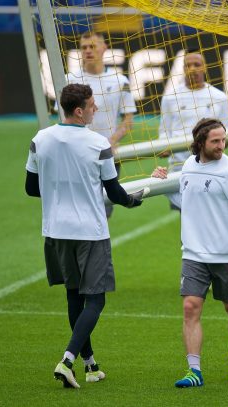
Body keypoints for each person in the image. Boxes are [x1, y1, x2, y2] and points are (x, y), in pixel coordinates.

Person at [25, 84, 144, 389]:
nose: (96, 109)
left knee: (73, 295)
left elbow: (30, 187)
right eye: (92, 105)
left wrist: (59, 190)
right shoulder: (98, 144)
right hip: (90, 232)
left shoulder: (40, 140)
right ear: (79, 111)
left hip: (55, 232)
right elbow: (115, 193)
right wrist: (134, 200)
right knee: (96, 299)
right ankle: (67, 360)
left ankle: (90, 365)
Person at [152, 118, 228, 388]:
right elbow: (186, 201)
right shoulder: (189, 166)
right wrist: (161, 187)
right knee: (190, 308)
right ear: (200, 142)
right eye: (215, 141)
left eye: (223, 140)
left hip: (227, 256)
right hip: (193, 254)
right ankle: (194, 370)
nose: (221, 145)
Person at [66, 31, 137, 218]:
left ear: (104, 48)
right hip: (78, 155)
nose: (88, 51)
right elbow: (63, 119)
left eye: (93, 46)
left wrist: (111, 141)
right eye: (84, 47)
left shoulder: (120, 81)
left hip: (108, 154)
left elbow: (128, 120)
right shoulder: (69, 80)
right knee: (79, 209)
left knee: (103, 210)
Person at [157, 49, 228, 210]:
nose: (192, 68)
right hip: (180, 167)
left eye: (196, 64)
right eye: (187, 65)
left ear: (205, 67)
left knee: (212, 214)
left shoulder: (219, 97)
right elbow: (164, 130)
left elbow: (227, 132)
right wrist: (164, 146)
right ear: (182, 69)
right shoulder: (170, 97)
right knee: (187, 219)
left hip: (211, 167)